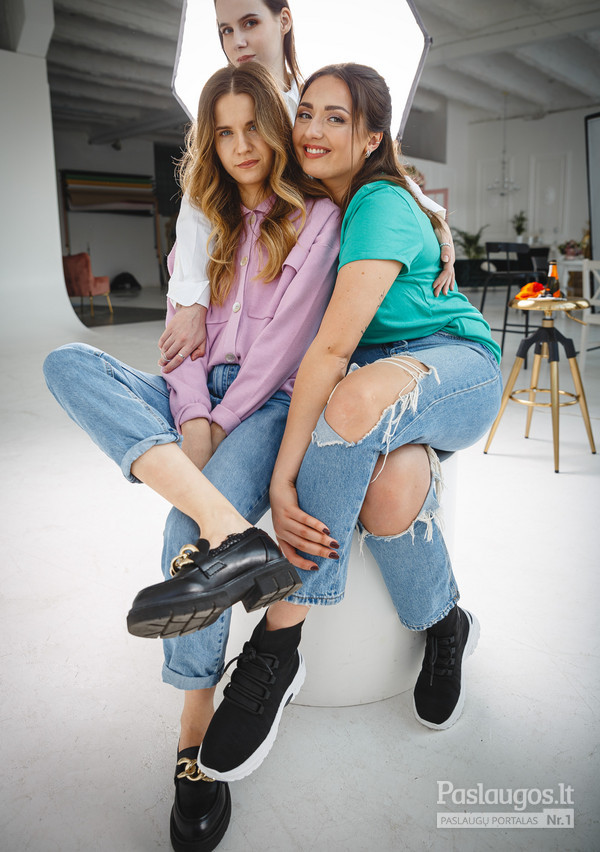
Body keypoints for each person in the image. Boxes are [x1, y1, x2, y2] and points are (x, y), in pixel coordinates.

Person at [148, 63, 502, 787]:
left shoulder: (377, 201)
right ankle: (446, 623)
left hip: (452, 363)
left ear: (371, 139)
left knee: (346, 400)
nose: (312, 129)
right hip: (377, 386)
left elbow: (332, 350)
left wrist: (282, 482)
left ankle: (279, 644)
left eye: (336, 118)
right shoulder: (316, 205)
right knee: (391, 493)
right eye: (306, 112)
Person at [43, 61, 341, 852]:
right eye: (224, 132)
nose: (240, 146)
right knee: (68, 364)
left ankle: (193, 734)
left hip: (266, 405)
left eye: (253, 128)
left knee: (183, 536)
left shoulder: (315, 218)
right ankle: (230, 528)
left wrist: (220, 420)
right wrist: (194, 416)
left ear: (275, 129)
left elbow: (281, 353)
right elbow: (181, 338)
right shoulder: (206, 214)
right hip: (198, 399)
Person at [161, 0, 455, 373]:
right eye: (225, 30)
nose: (237, 41)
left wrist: (436, 219)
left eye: (249, 23)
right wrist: (192, 303)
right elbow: (197, 207)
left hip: (312, 266)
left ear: (284, 20)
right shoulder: (223, 103)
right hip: (249, 269)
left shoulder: (309, 105)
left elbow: (377, 161)